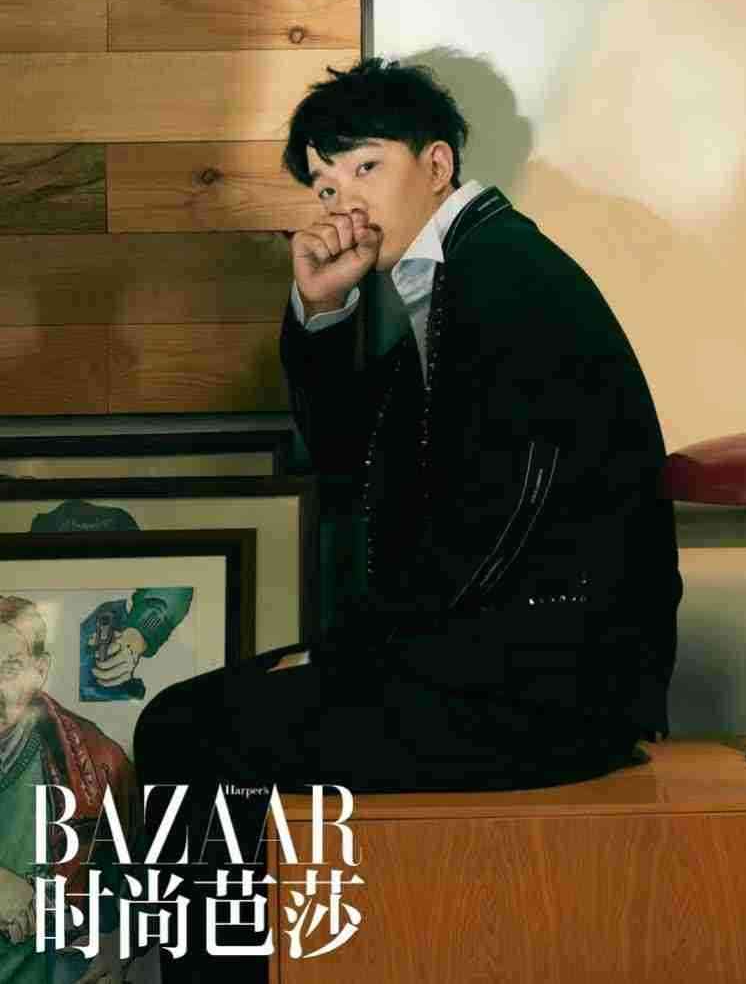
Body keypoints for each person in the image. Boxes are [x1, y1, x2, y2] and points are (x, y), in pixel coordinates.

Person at [132, 57, 682, 978]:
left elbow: (500, 519)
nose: (343, 198)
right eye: (324, 182)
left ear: (436, 163)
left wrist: (356, 650)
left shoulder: (508, 277)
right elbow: (349, 461)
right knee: (192, 720)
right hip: (496, 664)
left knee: (189, 730)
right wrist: (323, 307)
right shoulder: (449, 276)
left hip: (549, 688)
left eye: (365, 166)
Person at [0, 597, 137, 984]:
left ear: (40, 671)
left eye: (9, 669)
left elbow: (146, 876)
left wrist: (119, 943)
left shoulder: (99, 760)